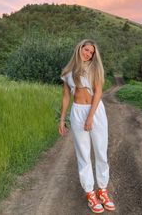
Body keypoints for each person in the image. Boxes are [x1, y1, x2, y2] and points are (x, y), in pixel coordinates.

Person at [59, 39, 116, 213]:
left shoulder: (95, 68)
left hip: (95, 111)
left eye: (91, 52)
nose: (88, 54)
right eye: (86, 50)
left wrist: (90, 117)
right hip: (77, 112)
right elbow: (66, 96)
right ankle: (90, 193)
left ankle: (103, 190)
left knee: (100, 152)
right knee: (83, 154)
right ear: (79, 49)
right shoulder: (68, 71)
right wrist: (62, 119)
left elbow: (98, 92)